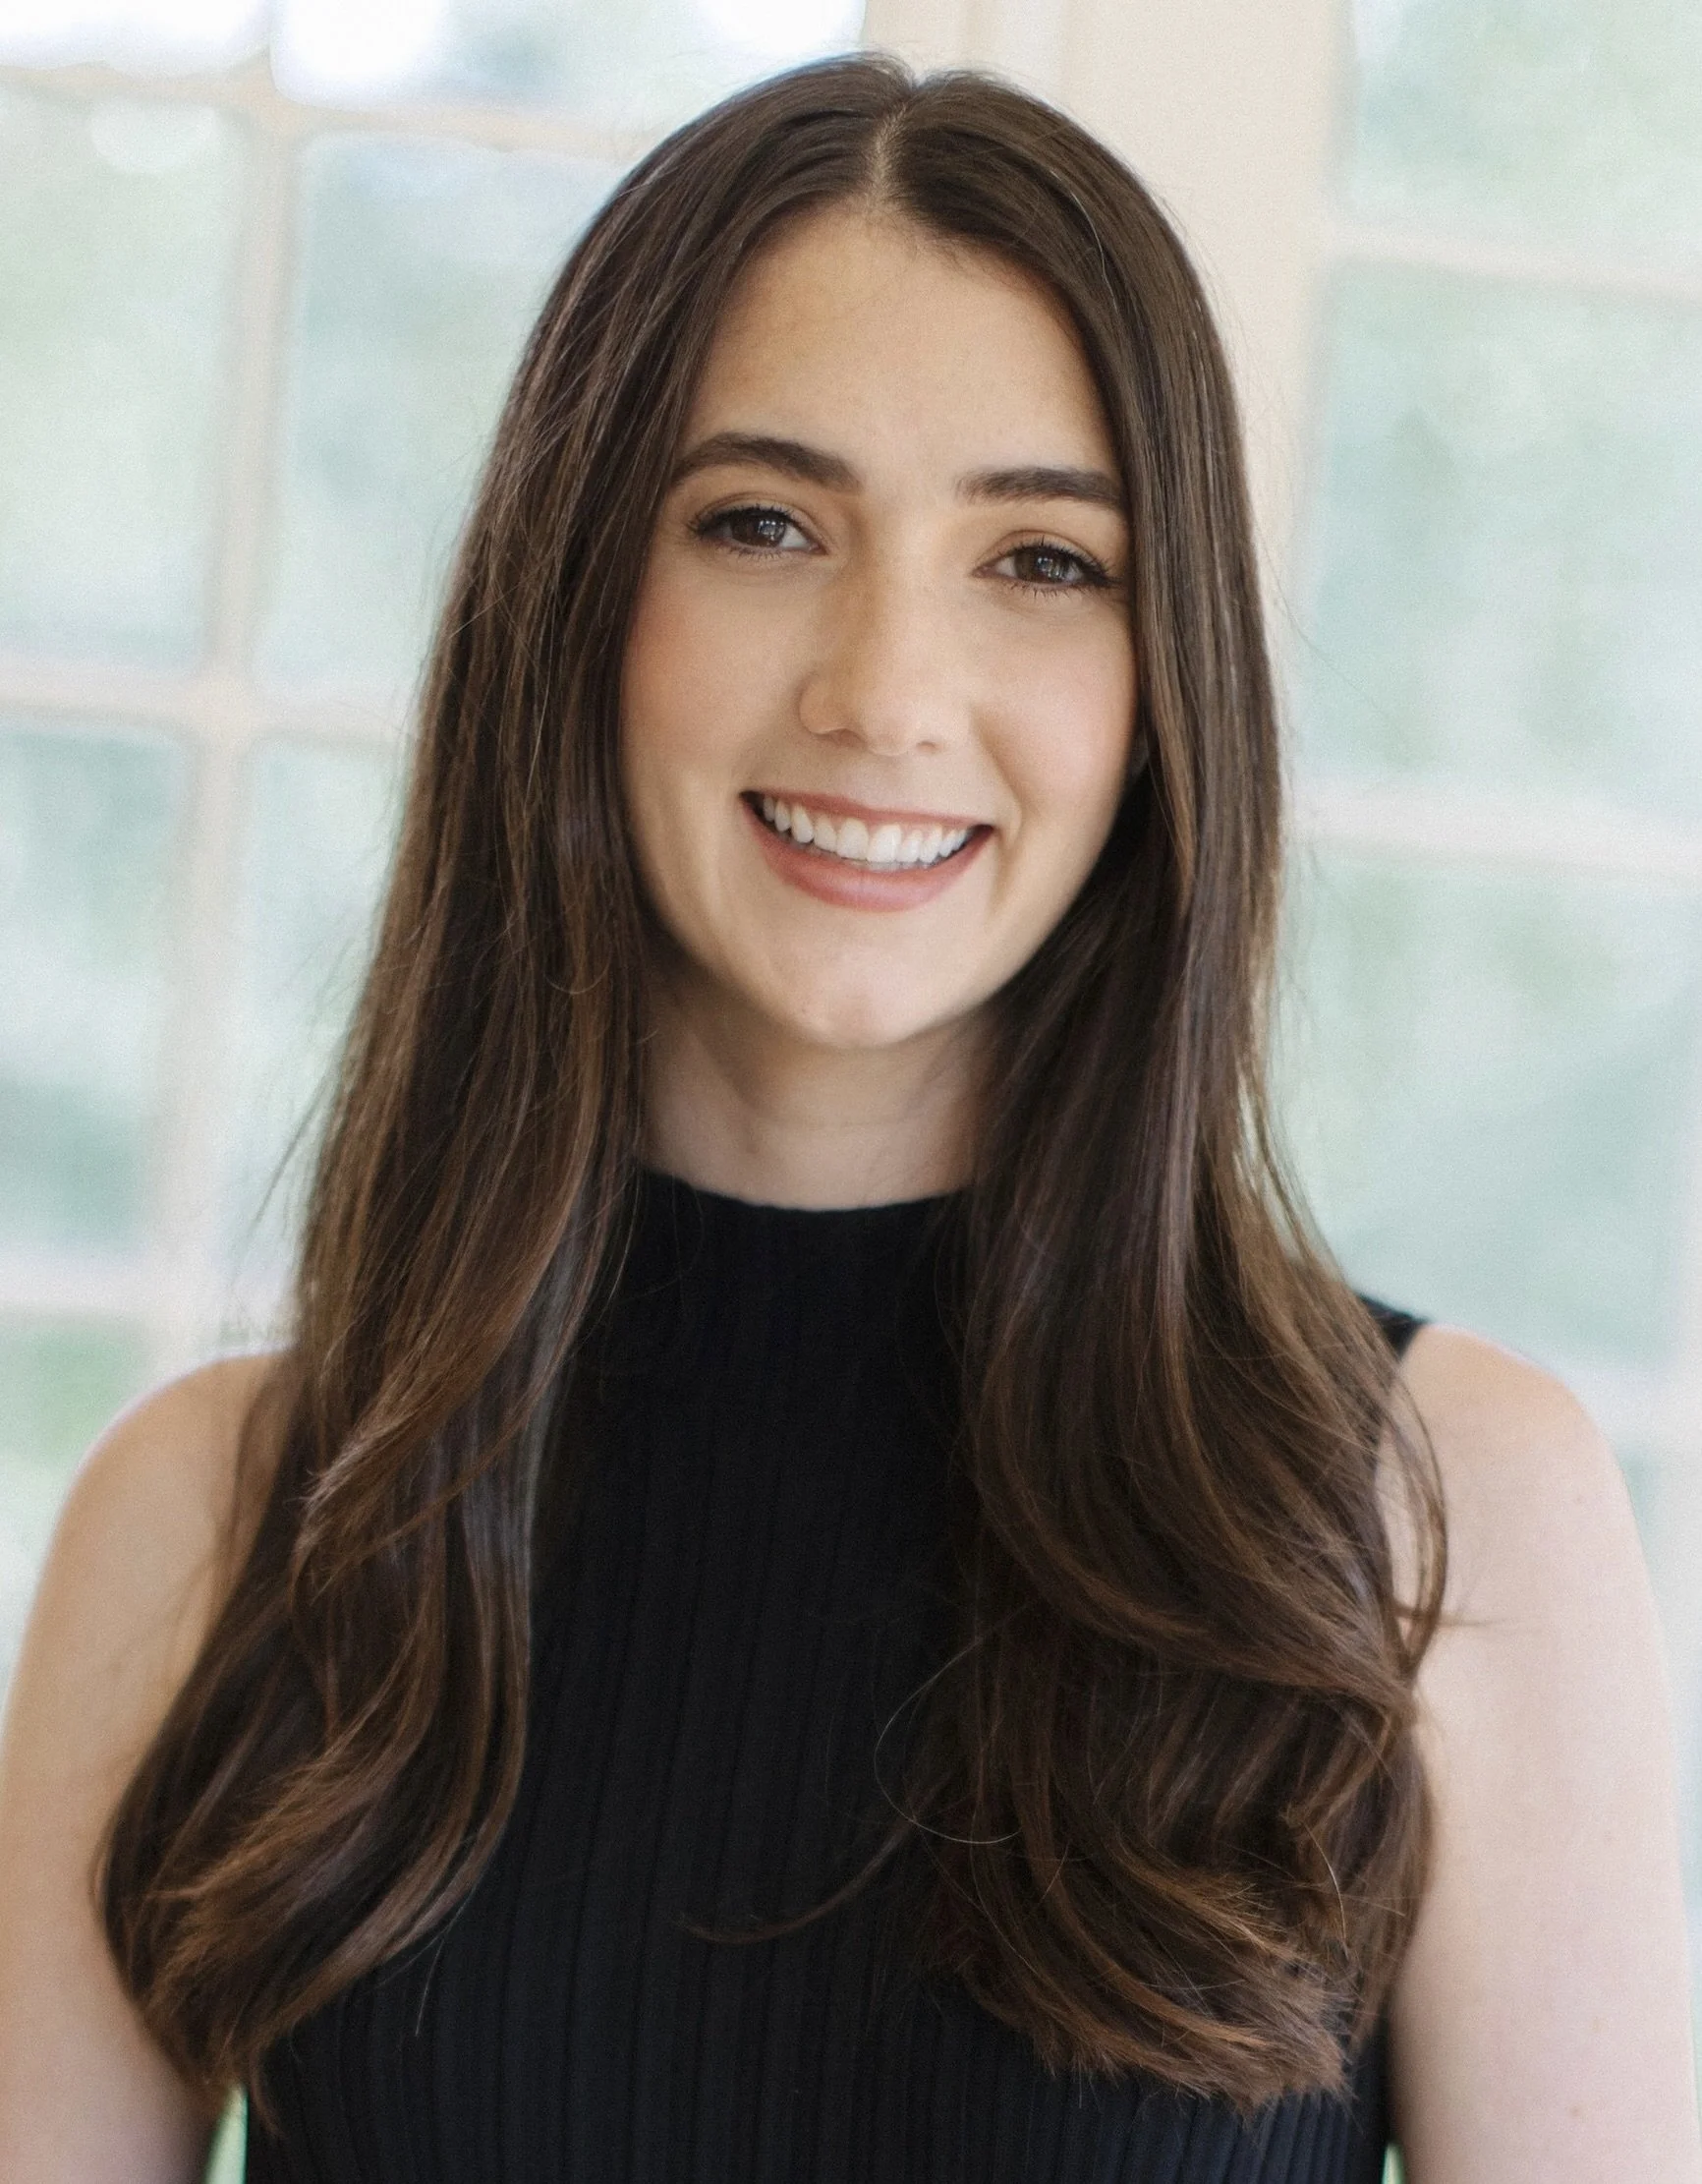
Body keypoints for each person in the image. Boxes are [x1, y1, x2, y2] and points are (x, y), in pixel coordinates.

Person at [0, 53, 1695, 2184]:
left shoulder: (1440, 1515)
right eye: (762, 524)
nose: (886, 690)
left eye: (1041, 561)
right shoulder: (219, 1525)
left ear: (1162, 680)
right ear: (576, 604)